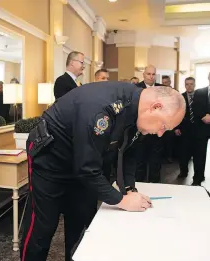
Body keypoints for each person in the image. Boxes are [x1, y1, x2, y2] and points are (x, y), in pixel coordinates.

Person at [20, 81, 185, 261]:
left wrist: (129, 189)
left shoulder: (136, 108)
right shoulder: (101, 109)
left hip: (87, 161)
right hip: (51, 159)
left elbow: (129, 151)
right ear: (155, 107)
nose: (161, 133)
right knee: (43, 227)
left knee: (82, 222)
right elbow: (86, 170)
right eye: (163, 126)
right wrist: (121, 200)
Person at [174, 77, 197, 178]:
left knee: (197, 154)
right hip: (183, 129)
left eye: (191, 84)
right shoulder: (180, 97)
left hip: (198, 129)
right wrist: (176, 127)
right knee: (183, 153)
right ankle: (183, 172)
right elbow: (176, 113)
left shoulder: (200, 96)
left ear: (194, 85)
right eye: (187, 84)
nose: (189, 86)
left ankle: (198, 175)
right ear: (185, 85)